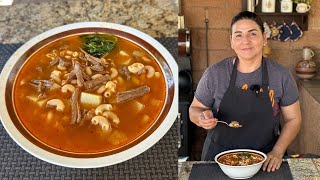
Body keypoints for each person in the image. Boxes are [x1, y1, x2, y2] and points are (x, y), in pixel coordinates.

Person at [189, 11, 301, 172]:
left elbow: (294, 119)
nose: (245, 41)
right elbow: (194, 109)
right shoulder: (215, 73)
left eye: (252, 34)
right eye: (238, 35)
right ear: (231, 41)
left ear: (264, 38)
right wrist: (201, 117)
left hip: (265, 159)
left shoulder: (281, 75)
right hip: (218, 158)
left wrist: (278, 151)